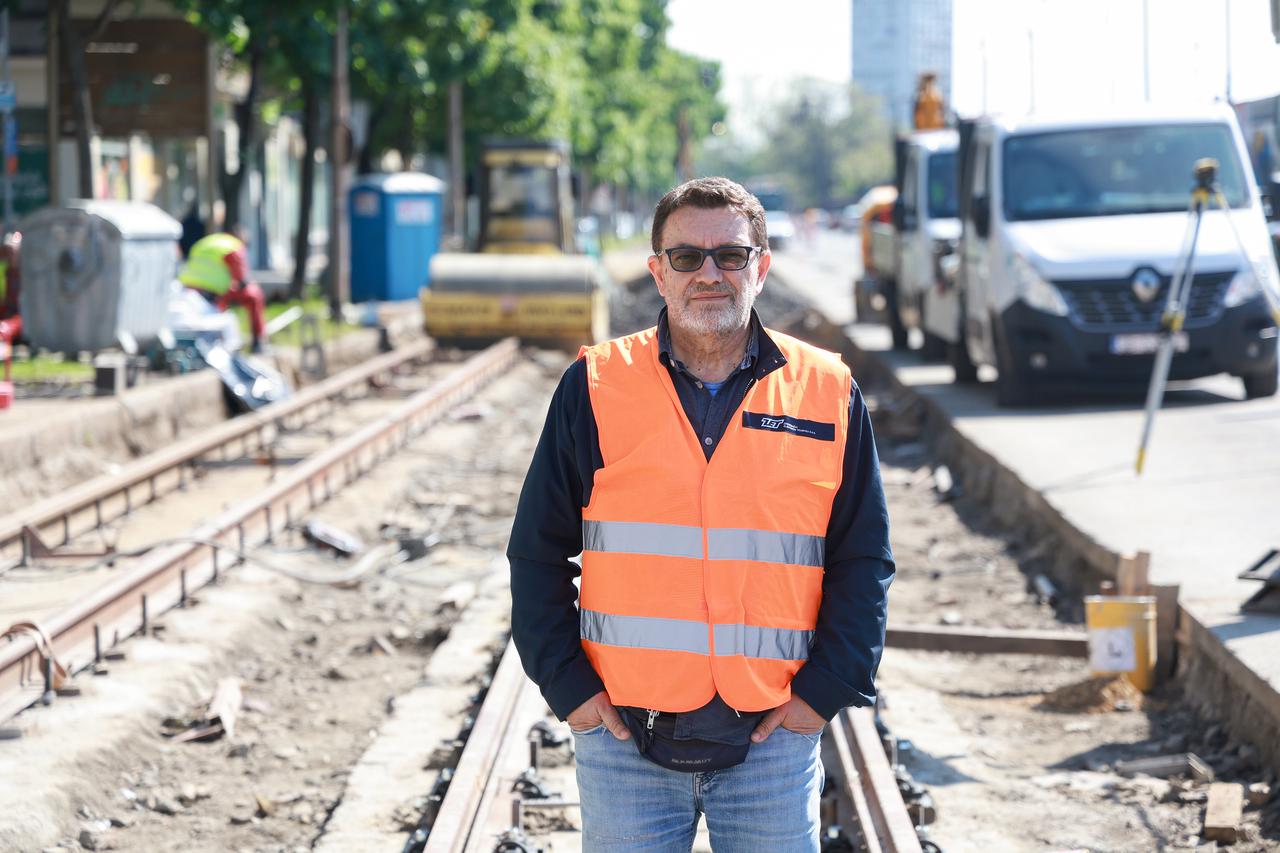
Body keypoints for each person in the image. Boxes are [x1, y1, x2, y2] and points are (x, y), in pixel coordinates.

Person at [508, 177, 894, 851]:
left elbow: (863, 555)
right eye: (686, 257)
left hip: (772, 740)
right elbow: (537, 551)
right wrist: (569, 688)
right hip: (626, 739)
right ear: (658, 272)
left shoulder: (826, 390)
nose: (709, 274)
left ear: (761, 267)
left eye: (731, 255)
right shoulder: (595, 385)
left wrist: (824, 693)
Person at [178, 230, 268, 353]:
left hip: (186, 289)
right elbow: (241, 279)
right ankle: (258, 342)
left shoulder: (205, 243)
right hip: (209, 293)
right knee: (254, 295)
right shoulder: (234, 247)